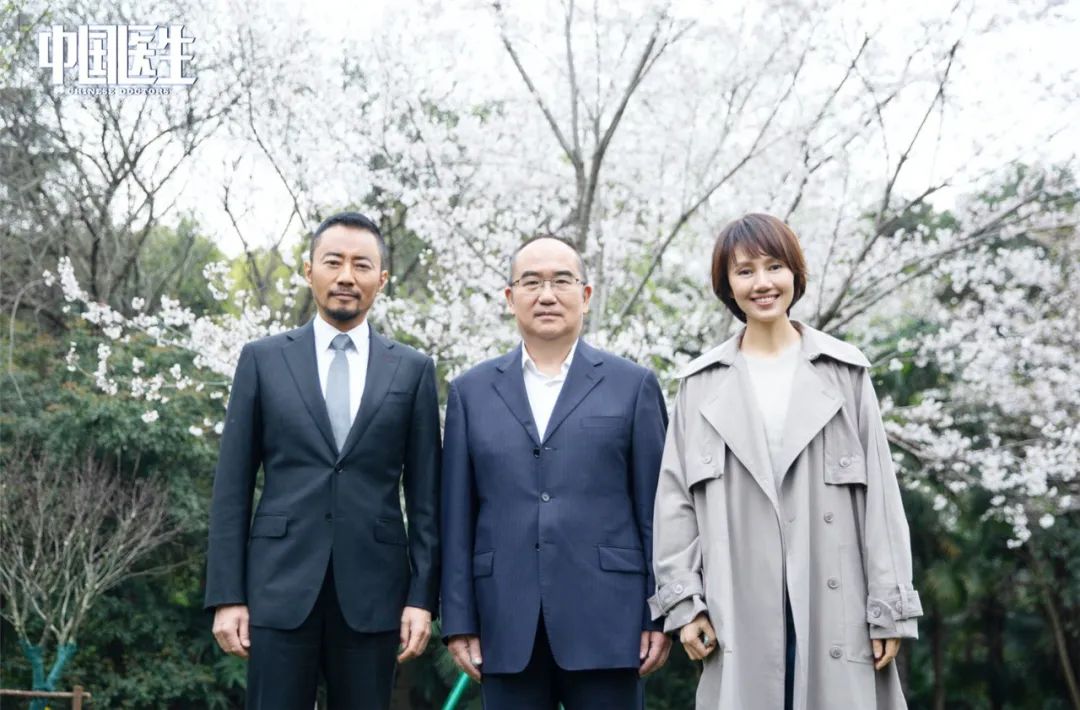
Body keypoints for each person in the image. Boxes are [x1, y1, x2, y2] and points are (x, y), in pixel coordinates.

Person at [650, 213, 922, 709]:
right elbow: (675, 504)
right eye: (745, 271)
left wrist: (889, 607)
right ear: (727, 286)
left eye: (774, 266)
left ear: (795, 273)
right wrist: (685, 604)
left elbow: (882, 502)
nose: (762, 283)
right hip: (737, 610)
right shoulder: (700, 384)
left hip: (835, 603)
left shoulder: (845, 373)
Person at [204, 212, 441, 710]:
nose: (346, 276)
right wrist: (228, 595)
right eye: (334, 262)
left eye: (362, 265)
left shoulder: (413, 370)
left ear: (382, 279)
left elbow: (426, 500)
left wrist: (422, 599)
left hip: (375, 592)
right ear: (309, 270)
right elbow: (231, 486)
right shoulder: (263, 360)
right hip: (277, 586)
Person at [440, 235, 671, 709]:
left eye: (561, 281)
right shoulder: (471, 392)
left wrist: (659, 612)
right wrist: (459, 620)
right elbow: (456, 516)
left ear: (585, 295)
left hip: (611, 619)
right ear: (510, 298)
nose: (547, 295)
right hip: (504, 619)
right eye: (532, 283)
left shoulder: (633, 385)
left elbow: (657, 511)